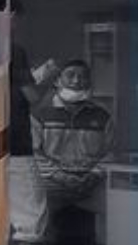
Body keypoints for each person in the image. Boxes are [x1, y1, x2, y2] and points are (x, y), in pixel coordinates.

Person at [7, 12, 60, 245]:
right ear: (11, 16)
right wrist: (48, 78)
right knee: (29, 216)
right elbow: (32, 97)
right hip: (16, 145)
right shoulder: (12, 50)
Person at [33, 59, 113, 218]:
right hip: (51, 184)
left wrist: (94, 174)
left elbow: (112, 151)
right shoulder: (40, 115)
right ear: (57, 81)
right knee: (37, 221)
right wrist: (61, 177)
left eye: (83, 76)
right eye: (70, 75)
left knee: (122, 212)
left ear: (89, 82)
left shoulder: (102, 116)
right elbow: (34, 153)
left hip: (92, 184)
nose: (76, 81)